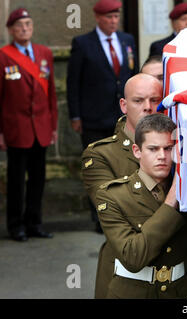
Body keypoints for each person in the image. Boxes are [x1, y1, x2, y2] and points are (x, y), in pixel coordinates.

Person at [95, 113, 187, 299]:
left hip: (179, 291)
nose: (162, 156)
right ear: (137, 151)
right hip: (132, 292)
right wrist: (171, 200)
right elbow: (133, 257)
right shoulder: (112, 195)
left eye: (168, 149)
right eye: (153, 149)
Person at [81, 73, 162, 298]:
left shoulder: (179, 149)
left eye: (155, 100)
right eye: (139, 101)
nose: (148, 107)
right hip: (125, 277)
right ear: (124, 105)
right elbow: (117, 213)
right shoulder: (101, 154)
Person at [67, 0, 138, 231]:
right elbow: (73, 83)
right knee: (97, 166)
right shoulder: (83, 43)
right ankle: (100, 216)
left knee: (124, 164)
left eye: (116, 17)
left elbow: (131, 74)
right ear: (98, 18)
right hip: (94, 116)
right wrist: (75, 115)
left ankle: (125, 211)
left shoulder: (127, 41)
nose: (113, 21)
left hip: (122, 116)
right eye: (109, 17)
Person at [0, 8, 57, 241]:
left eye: (28, 24)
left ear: (33, 28)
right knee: (16, 181)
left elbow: (51, 92)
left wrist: (53, 126)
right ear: (11, 30)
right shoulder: (3, 56)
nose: (24, 29)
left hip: (41, 128)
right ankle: (16, 225)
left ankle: (35, 222)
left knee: (37, 179)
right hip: (16, 128)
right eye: (20, 25)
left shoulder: (44, 53)